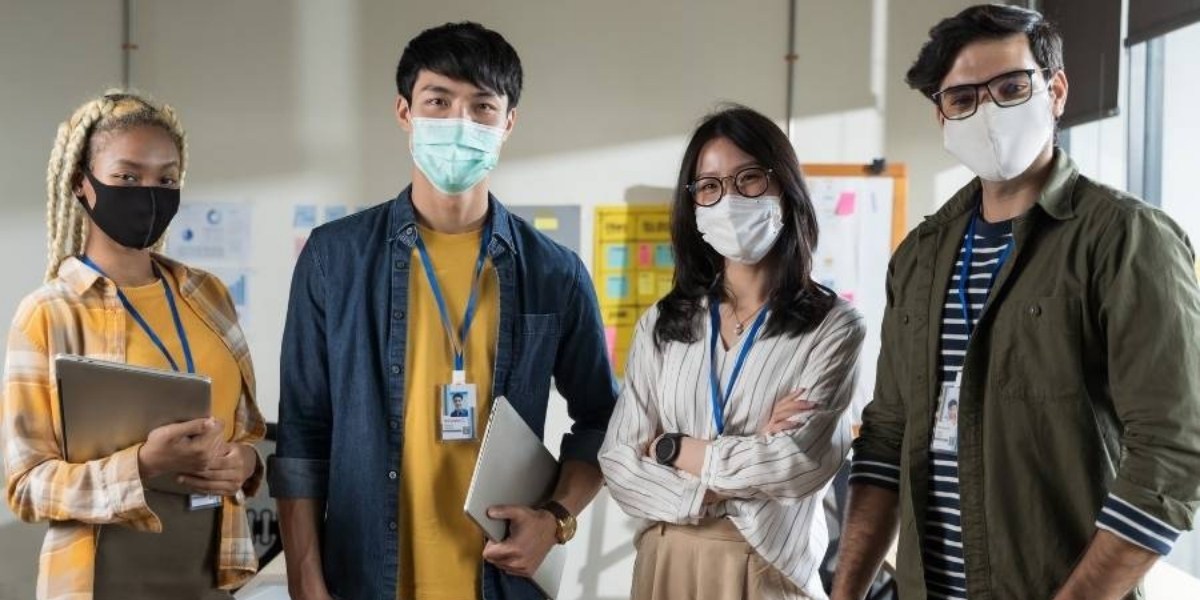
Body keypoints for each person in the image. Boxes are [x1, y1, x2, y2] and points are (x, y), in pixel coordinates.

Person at [831, 5, 1200, 600]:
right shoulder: (920, 256)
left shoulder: (1126, 239)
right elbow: (885, 436)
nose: (988, 112)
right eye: (963, 98)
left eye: (1010, 87)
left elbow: (1173, 456)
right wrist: (847, 589)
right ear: (942, 116)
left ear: (1055, 91)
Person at [269, 22, 617, 600]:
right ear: (404, 112)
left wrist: (556, 520)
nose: (460, 123)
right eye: (438, 101)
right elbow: (304, 433)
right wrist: (306, 580)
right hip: (365, 577)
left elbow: (604, 423)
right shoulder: (335, 259)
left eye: (482, 107)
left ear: (508, 123)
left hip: (500, 579)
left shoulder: (554, 272)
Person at [1, 91, 266, 600]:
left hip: (211, 574)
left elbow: (247, 431)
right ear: (83, 185)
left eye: (166, 179)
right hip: (99, 581)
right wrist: (143, 464)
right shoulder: (48, 313)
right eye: (127, 177)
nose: (150, 192)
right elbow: (26, 486)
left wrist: (246, 462)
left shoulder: (207, 295)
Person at [599, 106, 866, 600]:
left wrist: (671, 449)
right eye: (709, 187)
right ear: (694, 205)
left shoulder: (832, 326)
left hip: (765, 568)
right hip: (665, 563)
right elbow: (617, 465)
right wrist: (746, 455)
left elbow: (797, 463)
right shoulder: (663, 323)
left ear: (783, 188)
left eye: (748, 179)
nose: (728, 199)